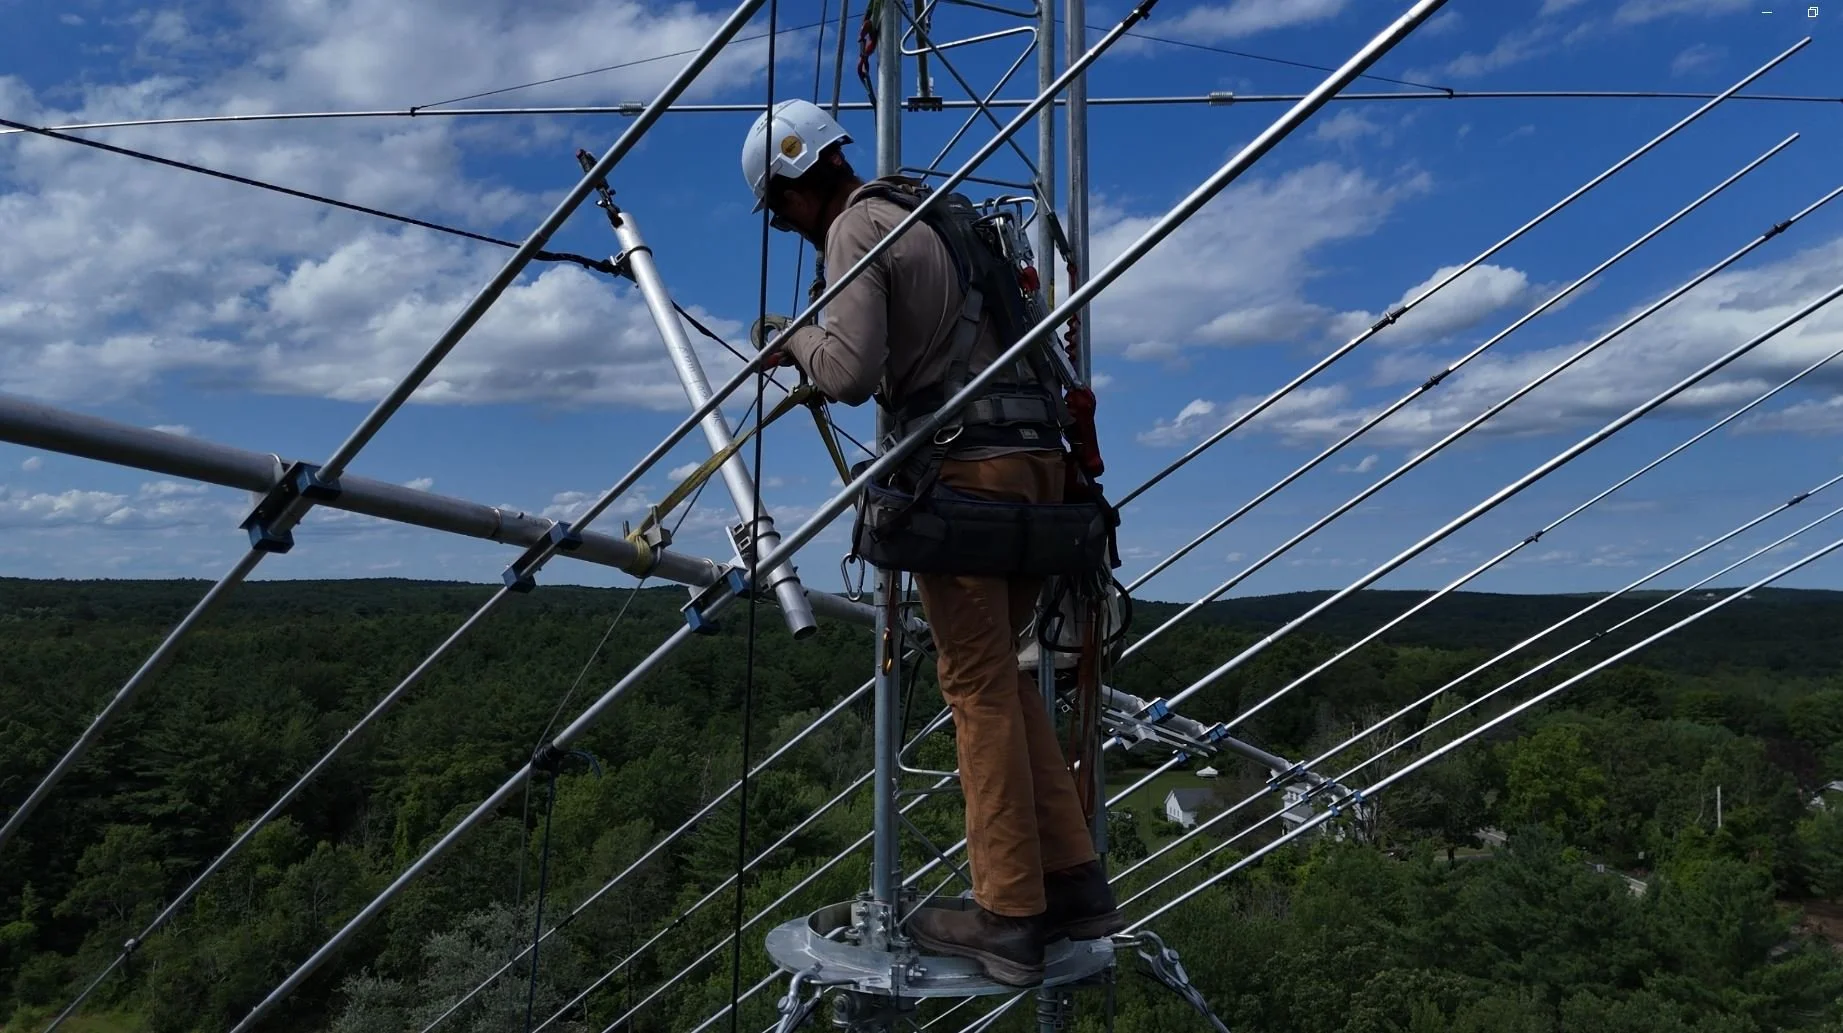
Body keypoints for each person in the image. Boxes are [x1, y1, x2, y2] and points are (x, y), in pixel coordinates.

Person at [740, 98, 1126, 988]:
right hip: (1036, 474)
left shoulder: (854, 229)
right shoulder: (936, 214)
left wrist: (788, 340)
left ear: (796, 192)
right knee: (1005, 681)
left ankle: (1007, 917)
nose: (789, 228)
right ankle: (1071, 881)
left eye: (779, 212)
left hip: (968, 482)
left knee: (977, 689)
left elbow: (849, 372)